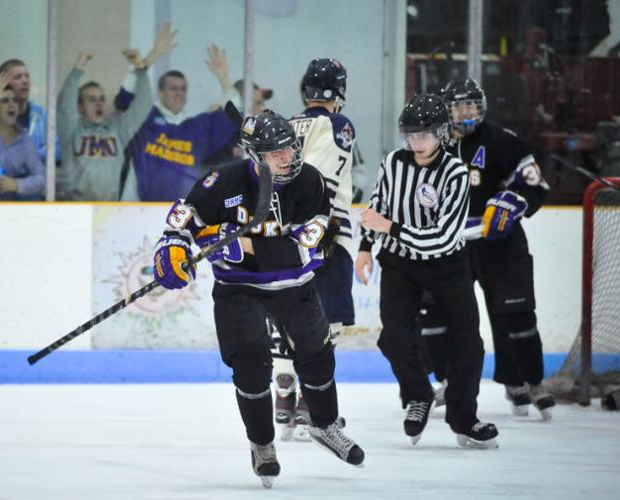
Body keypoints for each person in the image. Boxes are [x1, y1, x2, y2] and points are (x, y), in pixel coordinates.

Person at [152, 110, 365, 487]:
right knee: (250, 364)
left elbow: (309, 250)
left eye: (289, 148)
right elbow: (183, 220)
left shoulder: (310, 182)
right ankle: (262, 444)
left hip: (294, 286)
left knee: (317, 356)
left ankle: (325, 425)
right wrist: (170, 248)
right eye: (275, 152)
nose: (287, 157)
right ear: (253, 155)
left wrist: (242, 249)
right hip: (238, 290)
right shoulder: (222, 180)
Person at [355, 93, 499, 449]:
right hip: (400, 263)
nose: (416, 142)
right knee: (393, 338)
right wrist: (364, 247)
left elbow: (439, 238)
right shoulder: (392, 162)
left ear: (440, 133)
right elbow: (378, 206)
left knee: (469, 345)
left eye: (423, 135)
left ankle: (464, 420)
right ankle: (419, 395)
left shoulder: (455, 173)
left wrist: (388, 227)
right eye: (410, 135)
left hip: (446, 264)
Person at [419, 78, 555, 420]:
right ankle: (450, 381)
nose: (467, 112)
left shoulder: (503, 141)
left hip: (501, 243)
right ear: (446, 110)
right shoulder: (431, 144)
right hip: (449, 245)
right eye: (459, 106)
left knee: (517, 314)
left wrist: (513, 201)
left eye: (472, 105)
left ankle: (526, 380)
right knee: (437, 318)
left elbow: (535, 186)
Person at [271, 58, 357, 441]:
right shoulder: (338, 124)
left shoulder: (286, 124)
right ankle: (309, 399)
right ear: (339, 91)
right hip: (326, 231)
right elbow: (321, 178)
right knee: (325, 320)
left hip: (281, 231)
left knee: (287, 312)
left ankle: (283, 393)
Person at [56, 28, 173, 201]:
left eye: (102, 99)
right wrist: (78, 68)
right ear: (80, 106)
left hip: (108, 209)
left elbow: (142, 106)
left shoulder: (117, 130)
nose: (99, 103)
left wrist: (140, 70)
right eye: (92, 99)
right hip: (74, 208)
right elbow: (65, 105)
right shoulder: (72, 130)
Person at [117, 42, 239, 201]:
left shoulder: (197, 128)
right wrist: (146, 61)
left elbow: (235, 115)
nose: (179, 93)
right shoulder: (145, 118)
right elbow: (122, 101)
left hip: (182, 215)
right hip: (138, 211)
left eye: (183, 89)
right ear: (160, 93)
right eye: (173, 88)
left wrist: (223, 77)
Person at [0, 58, 59, 163]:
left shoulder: (42, 114)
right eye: (18, 77)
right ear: (3, 84)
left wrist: (27, 155)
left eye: (27, 76)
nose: (25, 81)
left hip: (37, 177)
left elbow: (58, 150)